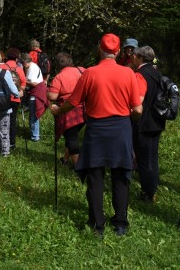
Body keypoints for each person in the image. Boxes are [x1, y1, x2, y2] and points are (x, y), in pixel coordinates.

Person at [51, 34, 142, 237]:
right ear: (118, 51)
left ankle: (97, 224)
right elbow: (138, 110)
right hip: (121, 128)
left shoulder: (90, 73)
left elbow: (73, 102)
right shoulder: (128, 74)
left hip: (97, 128)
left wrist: (57, 111)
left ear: (99, 49)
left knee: (95, 177)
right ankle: (120, 223)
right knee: (120, 176)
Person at [131, 46, 165, 203]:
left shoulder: (141, 75)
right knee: (153, 157)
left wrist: (132, 115)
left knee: (144, 159)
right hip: (157, 120)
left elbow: (138, 101)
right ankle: (153, 185)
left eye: (134, 55)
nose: (132, 57)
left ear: (140, 58)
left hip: (144, 122)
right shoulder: (157, 73)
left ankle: (147, 192)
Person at [47, 52, 85, 167]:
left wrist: (47, 92)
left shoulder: (60, 77)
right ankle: (65, 159)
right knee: (72, 135)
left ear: (58, 65)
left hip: (69, 110)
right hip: (85, 109)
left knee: (71, 138)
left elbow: (52, 96)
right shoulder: (82, 70)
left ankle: (78, 167)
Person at [0, 48, 26, 148]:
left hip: (2, 98)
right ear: (17, 58)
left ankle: (1, 141)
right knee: (12, 120)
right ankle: (12, 142)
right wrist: (20, 91)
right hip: (15, 98)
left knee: (2, 119)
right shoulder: (19, 69)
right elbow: (23, 83)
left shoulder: (2, 67)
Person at [20, 53, 47, 142]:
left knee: (33, 115)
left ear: (25, 62)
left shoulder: (32, 68)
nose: (24, 66)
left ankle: (35, 136)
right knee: (33, 115)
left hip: (37, 92)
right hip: (35, 92)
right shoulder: (32, 67)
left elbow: (34, 83)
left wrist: (23, 80)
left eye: (23, 63)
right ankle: (34, 134)